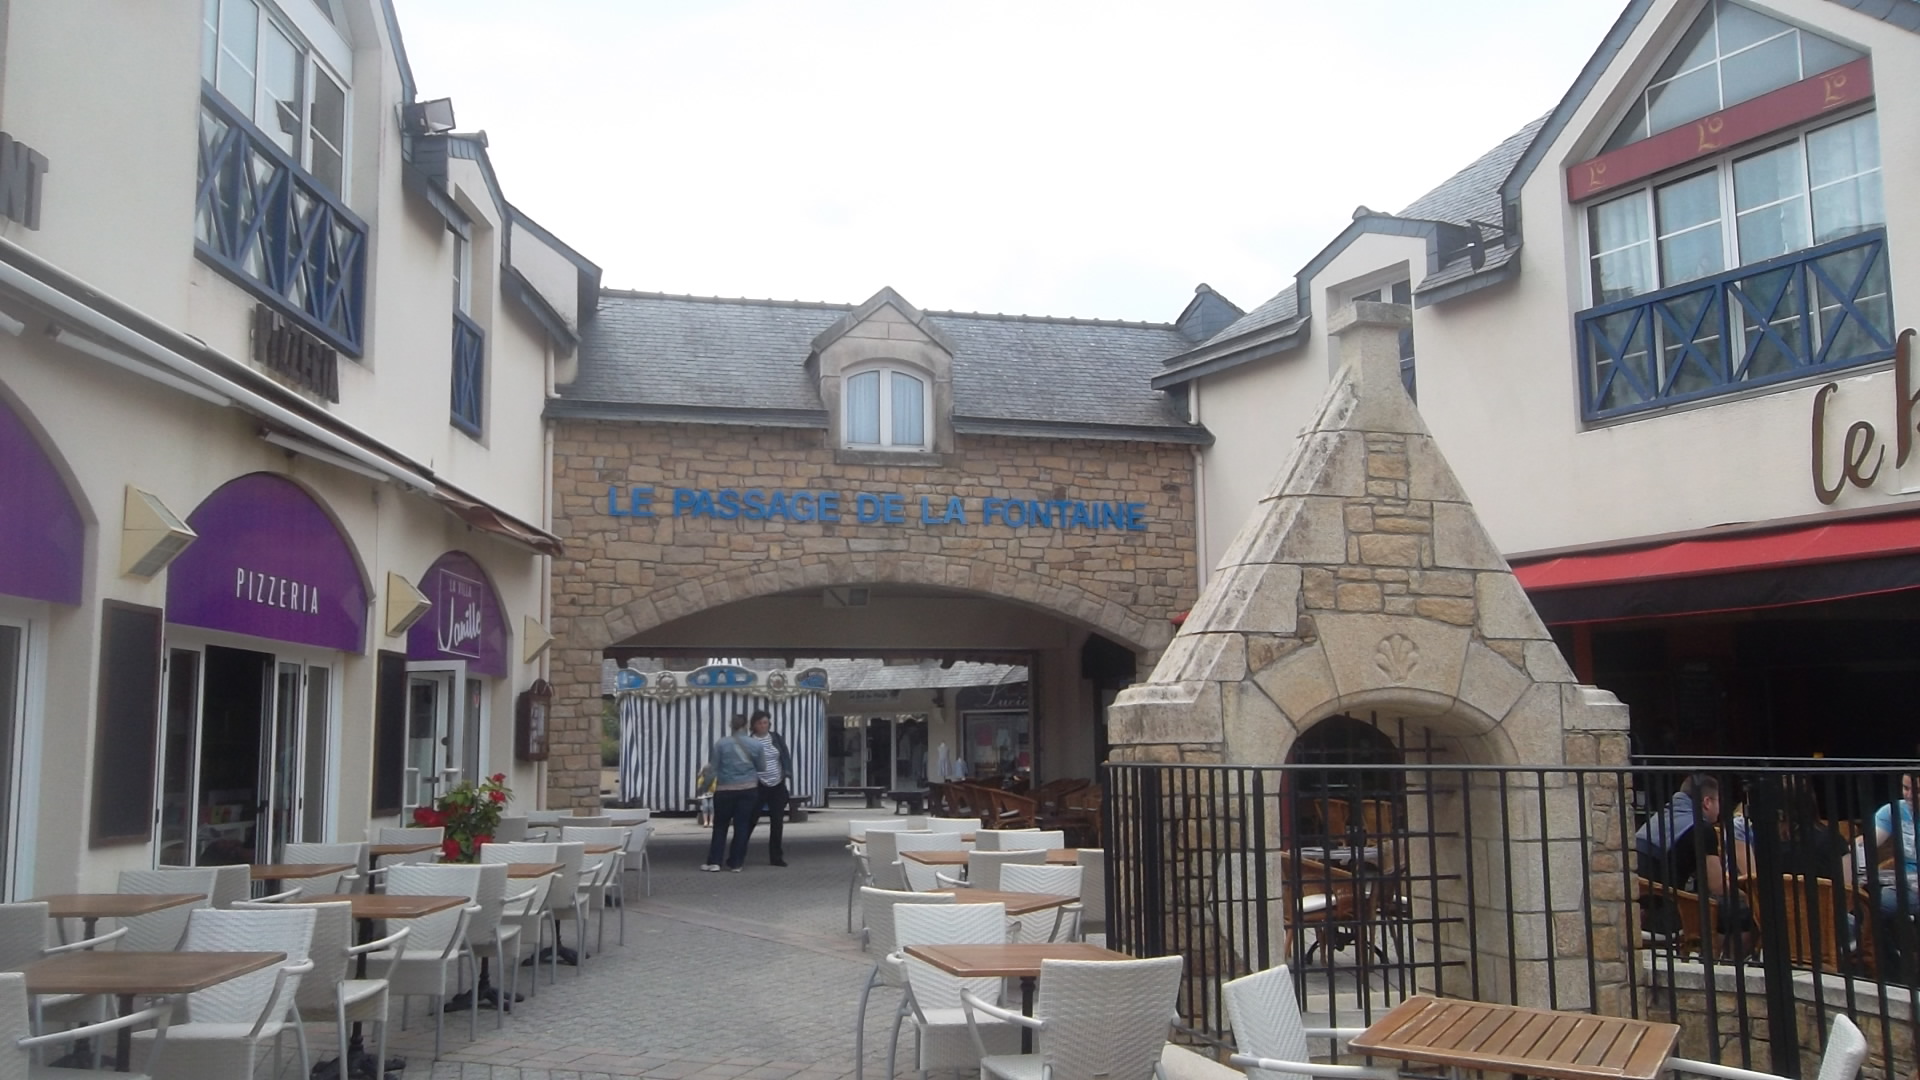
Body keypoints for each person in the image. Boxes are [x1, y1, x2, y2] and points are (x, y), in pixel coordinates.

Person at [1635, 773, 1752, 945]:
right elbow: (1718, 886)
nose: (1720, 808)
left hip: (1639, 910)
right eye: (1719, 801)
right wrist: (1749, 895)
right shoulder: (1701, 827)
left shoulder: (1661, 818)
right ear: (1707, 802)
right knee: (1747, 914)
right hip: (1671, 915)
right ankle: (1726, 959)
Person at [1869, 771, 1918, 974]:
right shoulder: (1894, 811)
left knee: (1877, 904)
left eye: (1917, 791)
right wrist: (1851, 851)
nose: (1909, 795)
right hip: (1903, 881)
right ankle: (1898, 963)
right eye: (1905, 788)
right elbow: (1870, 841)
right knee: (1867, 899)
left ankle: (1898, 966)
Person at [702, 713, 765, 873]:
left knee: (720, 826)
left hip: (725, 790)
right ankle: (736, 863)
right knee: (742, 826)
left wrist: (704, 787)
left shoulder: (721, 744)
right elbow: (762, 767)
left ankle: (715, 862)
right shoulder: (756, 745)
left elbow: (713, 768)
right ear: (746, 726)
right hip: (748, 789)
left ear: (731, 725)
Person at [750, 708, 793, 867]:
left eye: (765, 723)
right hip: (758, 784)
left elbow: (785, 756)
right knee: (750, 819)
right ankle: (738, 853)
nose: (763, 726)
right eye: (760, 723)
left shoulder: (776, 738)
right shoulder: (750, 741)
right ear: (754, 725)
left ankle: (776, 857)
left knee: (777, 821)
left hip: (777, 783)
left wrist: (786, 773)